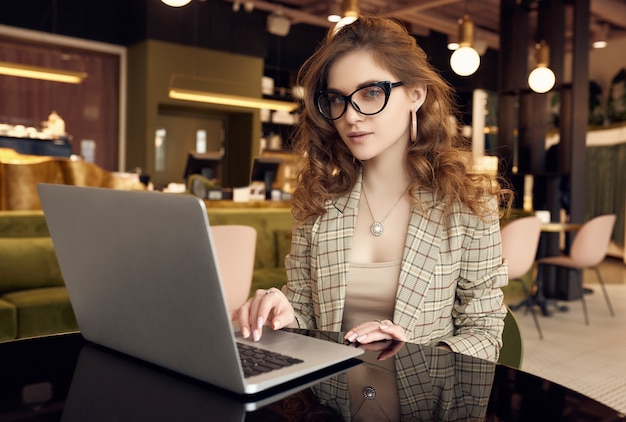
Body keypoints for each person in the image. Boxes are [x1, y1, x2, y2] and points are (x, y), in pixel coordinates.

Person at [233, 16, 512, 362]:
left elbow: (485, 331)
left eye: (371, 93)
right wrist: (283, 314)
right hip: (329, 406)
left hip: (422, 404)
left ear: (415, 93)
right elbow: (306, 312)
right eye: (337, 99)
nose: (351, 116)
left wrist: (415, 355)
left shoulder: (467, 206)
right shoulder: (320, 201)